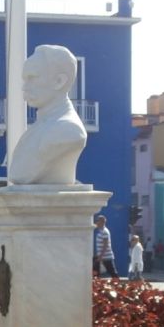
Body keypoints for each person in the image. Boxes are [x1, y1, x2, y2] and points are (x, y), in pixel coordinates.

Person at [8, 44, 87, 185]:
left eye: (32, 78)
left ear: (59, 81)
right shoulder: (41, 127)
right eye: (25, 79)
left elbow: (22, 174)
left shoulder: (68, 130)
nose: (24, 87)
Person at [93, 215, 119, 279]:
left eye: (97, 221)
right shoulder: (101, 231)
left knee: (113, 273)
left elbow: (105, 245)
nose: (96, 222)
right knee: (95, 272)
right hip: (101, 256)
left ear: (101, 222)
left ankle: (118, 284)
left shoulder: (105, 232)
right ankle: (96, 285)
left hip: (106, 257)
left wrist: (101, 256)